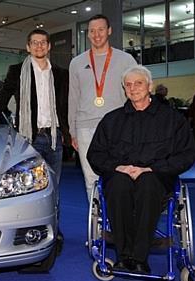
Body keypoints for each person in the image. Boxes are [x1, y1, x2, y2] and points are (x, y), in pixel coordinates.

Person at [87, 65, 195, 274]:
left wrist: (152, 168)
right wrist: (117, 167)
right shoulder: (112, 120)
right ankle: (124, 255)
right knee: (118, 185)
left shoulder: (172, 119)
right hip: (121, 176)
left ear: (150, 86)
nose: (133, 88)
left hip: (157, 178)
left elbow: (187, 154)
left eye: (138, 83)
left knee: (147, 184)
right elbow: (95, 154)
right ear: (124, 89)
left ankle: (139, 257)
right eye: (128, 84)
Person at [0, 29, 69, 186]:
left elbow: (65, 104)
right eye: (35, 42)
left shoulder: (61, 73)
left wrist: (68, 133)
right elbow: (3, 96)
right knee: (30, 185)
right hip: (29, 137)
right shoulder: (17, 71)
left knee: (54, 184)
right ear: (28, 47)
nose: (39, 46)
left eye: (43, 42)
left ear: (49, 46)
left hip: (55, 137)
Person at [68, 14, 137, 200]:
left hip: (118, 127)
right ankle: (98, 224)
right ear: (87, 34)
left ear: (109, 31)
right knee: (91, 178)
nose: (96, 35)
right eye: (92, 31)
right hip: (85, 126)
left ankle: (119, 219)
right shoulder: (77, 63)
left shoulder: (126, 60)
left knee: (119, 175)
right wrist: (72, 130)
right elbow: (73, 97)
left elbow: (136, 93)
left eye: (100, 30)